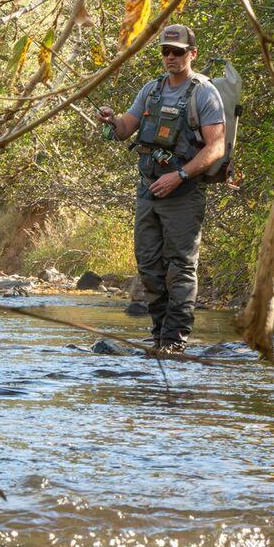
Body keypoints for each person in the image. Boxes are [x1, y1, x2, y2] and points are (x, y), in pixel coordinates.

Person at [97, 25, 225, 354]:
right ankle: (158, 337)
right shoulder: (150, 90)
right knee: (148, 266)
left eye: (177, 52)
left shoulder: (204, 93)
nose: (170, 57)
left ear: (192, 54)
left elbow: (216, 148)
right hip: (148, 191)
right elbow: (125, 129)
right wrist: (111, 120)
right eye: (165, 51)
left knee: (180, 267)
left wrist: (179, 176)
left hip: (184, 193)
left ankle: (174, 342)